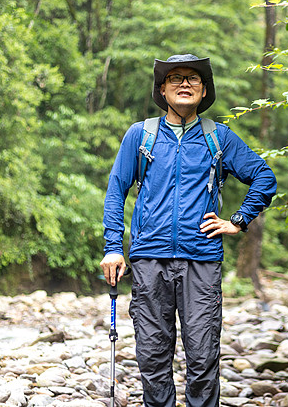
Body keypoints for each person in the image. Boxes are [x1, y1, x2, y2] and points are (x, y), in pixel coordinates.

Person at [100, 54, 277, 407]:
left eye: (193, 79)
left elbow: (264, 177)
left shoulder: (219, 138)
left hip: (202, 260)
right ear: (162, 90)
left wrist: (237, 221)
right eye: (175, 78)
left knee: (202, 357)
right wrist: (112, 247)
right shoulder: (140, 135)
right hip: (150, 259)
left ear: (204, 90)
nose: (184, 84)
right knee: (152, 356)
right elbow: (116, 190)